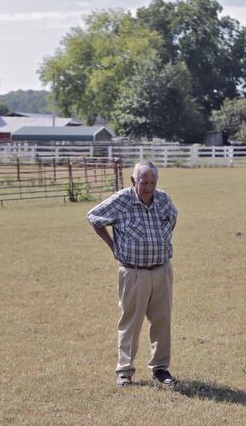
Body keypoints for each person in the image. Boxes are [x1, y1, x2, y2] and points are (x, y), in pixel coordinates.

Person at [86, 160, 178, 387]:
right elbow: (94, 217)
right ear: (133, 181)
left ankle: (160, 368)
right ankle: (124, 370)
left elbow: (173, 218)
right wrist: (113, 247)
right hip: (134, 272)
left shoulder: (163, 199)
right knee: (131, 322)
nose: (148, 187)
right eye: (143, 182)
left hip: (162, 270)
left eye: (152, 182)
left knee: (162, 320)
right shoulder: (122, 200)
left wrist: (161, 241)